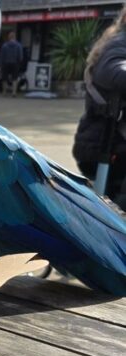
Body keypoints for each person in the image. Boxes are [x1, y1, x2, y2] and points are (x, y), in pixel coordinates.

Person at [73, 7, 126, 210]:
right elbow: (110, 70)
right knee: (114, 212)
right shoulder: (119, 42)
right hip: (106, 144)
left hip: (105, 141)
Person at [0, 31, 23, 97]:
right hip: (15, 63)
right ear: (14, 37)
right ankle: (14, 92)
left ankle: (4, 92)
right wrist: (19, 63)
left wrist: (1, 64)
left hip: (5, 63)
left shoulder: (5, 45)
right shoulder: (18, 45)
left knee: (4, 78)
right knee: (15, 78)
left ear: (9, 37)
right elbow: (20, 56)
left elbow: (2, 56)